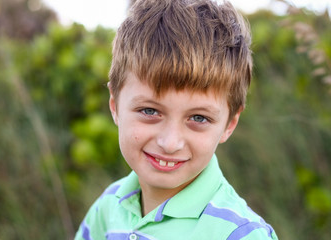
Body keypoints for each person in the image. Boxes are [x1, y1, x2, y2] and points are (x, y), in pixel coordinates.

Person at [75, 0, 278, 239]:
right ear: (115, 106)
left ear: (229, 125)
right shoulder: (108, 207)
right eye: (149, 111)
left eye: (198, 118)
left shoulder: (241, 235)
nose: (170, 143)